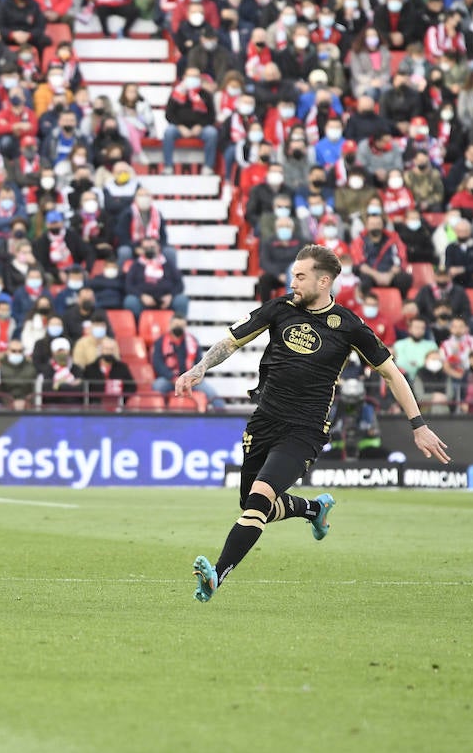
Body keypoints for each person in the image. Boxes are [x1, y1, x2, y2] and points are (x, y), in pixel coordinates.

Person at [177, 245, 449, 603]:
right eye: (293, 275)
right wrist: (199, 368)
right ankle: (313, 509)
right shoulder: (280, 308)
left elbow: (391, 374)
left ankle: (216, 576)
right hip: (264, 422)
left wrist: (418, 424)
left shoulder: (349, 326)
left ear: (324, 281)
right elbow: (231, 341)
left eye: (300, 276)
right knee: (250, 503)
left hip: (304, 430)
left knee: (258, 501)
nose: (293, 282)